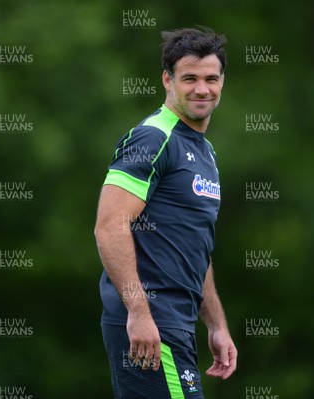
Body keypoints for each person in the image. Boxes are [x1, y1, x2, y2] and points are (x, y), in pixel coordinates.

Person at [94, 26, 237, 399]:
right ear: (167, 80)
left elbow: (194, 247)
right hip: (149, 322)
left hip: (176, 323)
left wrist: (216, 325)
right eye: (189, 78)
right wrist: (139, 313)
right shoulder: (154, 138)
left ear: (222, 82)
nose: (202, 89)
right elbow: (109, 227)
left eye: (211, 78)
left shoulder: (205, 152)